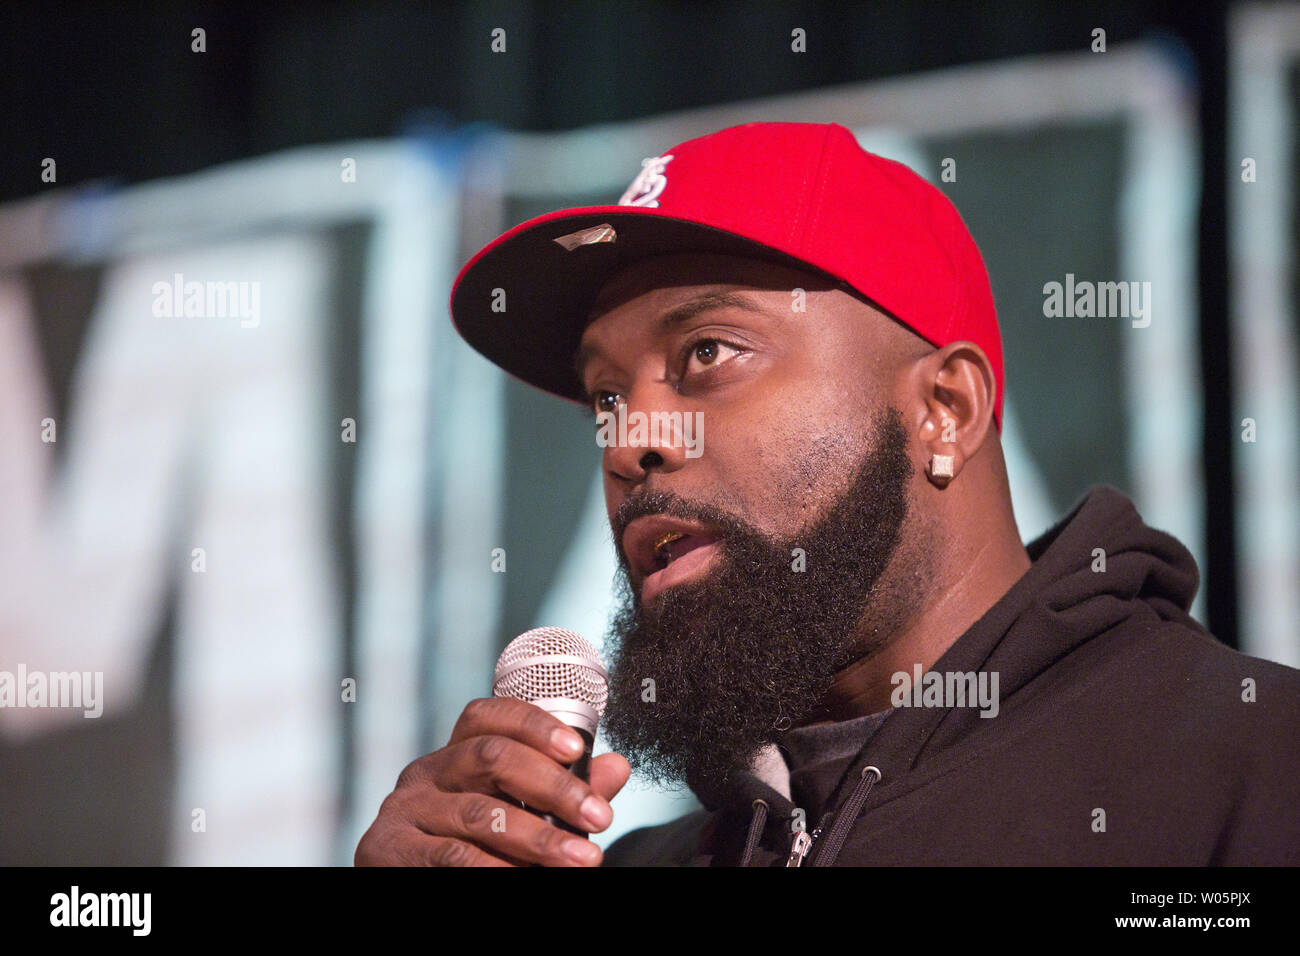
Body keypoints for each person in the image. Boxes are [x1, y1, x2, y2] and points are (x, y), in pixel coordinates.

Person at [354, 122, 1300, 867]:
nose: (631, 439)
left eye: (707, 353)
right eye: (606, 396)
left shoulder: (1254, 776)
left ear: (945, 408)